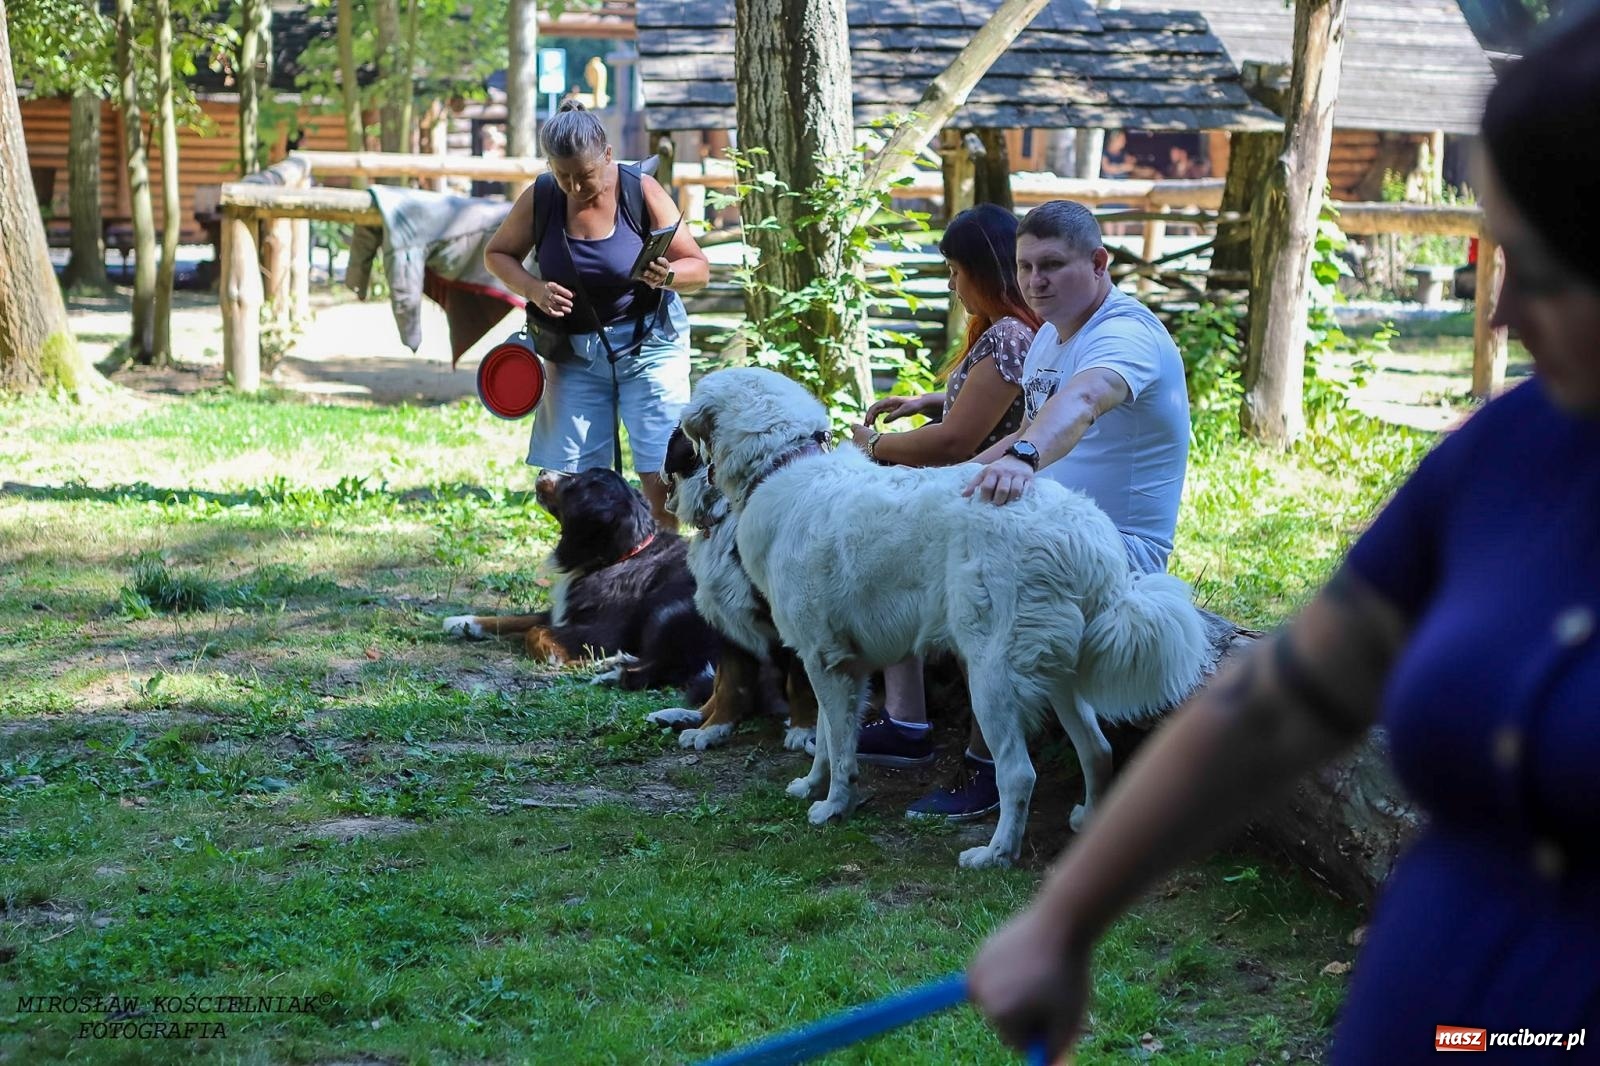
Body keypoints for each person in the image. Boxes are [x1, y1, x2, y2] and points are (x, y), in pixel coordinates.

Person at [968, 11, 1600, 1064]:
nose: (1499, 322)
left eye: (1535, 273)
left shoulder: (1116, 342)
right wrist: (1063, 916)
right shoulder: (1505, 453)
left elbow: (1082, 398)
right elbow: (1282, 700)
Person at [884, 200, 1191, 821]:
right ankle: (898, 718)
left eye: (1052, 265)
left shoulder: (1124, 334)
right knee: (920, 534)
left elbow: (1082, 401)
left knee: (986, 573)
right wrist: (949, 482)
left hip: (1116, 548)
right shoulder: (1050, 334)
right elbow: (1026, 426)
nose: (1034, 282)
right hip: (1057, 528)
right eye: (1025, 267)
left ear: (1099, 263)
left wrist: (1022, 459)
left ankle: (988, 770)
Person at [840, 204, 1042, 779]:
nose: (952, 284)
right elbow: (980, 406)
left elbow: (956, 442)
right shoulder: (1012, 332)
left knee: (884, 563)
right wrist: (925, 402)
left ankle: (907, 720)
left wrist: (873, 447)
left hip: (979, 502)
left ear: (986, 269)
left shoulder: (1009, 335)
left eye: (956, 270)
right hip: (970, 493)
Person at [484, 100, 709, 529]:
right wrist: (532, 288)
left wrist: (667, 276)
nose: (572, 186)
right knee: (574, 481)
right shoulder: (543, 196)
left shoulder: (640, 190)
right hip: (573, 353)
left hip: (649, 346)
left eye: (583, 175)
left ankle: (661, 569)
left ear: (607, 155)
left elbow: (698, 268)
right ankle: (594, 574)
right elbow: (497, 255)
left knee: (660, 472)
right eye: (561, 174)